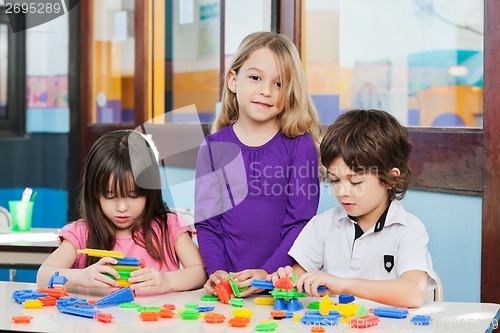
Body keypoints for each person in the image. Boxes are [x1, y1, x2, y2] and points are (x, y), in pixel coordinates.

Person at [195, 31, 321, 297]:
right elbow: (208, 223)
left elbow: (301, 222)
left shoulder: (301, 145)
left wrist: (267, 273)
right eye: (255, 78)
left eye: (279, 84)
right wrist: (215, 270)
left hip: (278, 286)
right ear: (232, 80)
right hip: (227, 290)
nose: (266, 91)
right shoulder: (213, 148)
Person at [269, 109, 437, 308]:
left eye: (355, 182)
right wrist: (286, 281)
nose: (342, 192)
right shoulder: (324, 224)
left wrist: (344, 285)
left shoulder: (408, 229)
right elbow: (297, 278)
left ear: (391, 178)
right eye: (335, 180)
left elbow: (413, 294)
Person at [37, 130, 206, 294]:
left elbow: (200, 271)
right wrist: (80, 276)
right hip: (98, 322)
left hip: (158, 321)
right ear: (94, 194)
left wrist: (167, 281)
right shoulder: (82, 234)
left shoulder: (169, 227)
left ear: (149, 192)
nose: (122, 207)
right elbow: (43, 276)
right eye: (110, 196)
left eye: (133, 196)